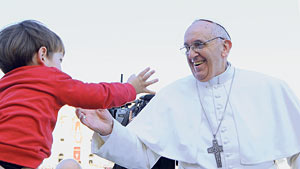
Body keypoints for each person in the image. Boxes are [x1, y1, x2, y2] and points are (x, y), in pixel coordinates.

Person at [76, 19, 300, 169]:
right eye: (187, 47)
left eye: (199, 44)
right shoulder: (172, 96)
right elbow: (142, 156)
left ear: (225, 47)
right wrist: (109, 130)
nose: (192, 54)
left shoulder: (269, 88)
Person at [0, 20, 158, 169]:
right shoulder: (50, 78)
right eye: (60, 60)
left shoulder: (5, 85)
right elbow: (97, 95)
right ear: (43, 55)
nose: (61, 67)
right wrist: (130, 88)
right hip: (17, 158)